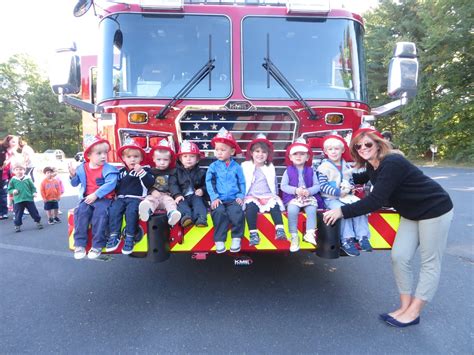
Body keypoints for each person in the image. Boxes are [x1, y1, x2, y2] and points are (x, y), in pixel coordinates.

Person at [323, 128, 454, 328]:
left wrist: (341, 211)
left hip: (434, 210)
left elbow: (376, 200)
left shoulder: (392, 163)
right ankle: (404, 307)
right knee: (399, 257)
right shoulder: (371, 166)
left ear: (378, 144)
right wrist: (323, 173)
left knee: (430, 263)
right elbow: (355, 179)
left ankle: (414, 312)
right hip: (411, 213)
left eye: (368, 144)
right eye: (358, 146)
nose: (363, 148)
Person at [317, 135, 371, 256]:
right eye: (330, 149)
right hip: (331, 198)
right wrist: (337, 192)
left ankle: (362, 237)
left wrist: (350, 188)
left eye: (336, 149)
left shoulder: (346, 166)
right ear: (325, 152)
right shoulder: (323, 168)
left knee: (360, 207)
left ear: (342, 150)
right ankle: (347, 240)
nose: (333, 151)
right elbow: (322, 186)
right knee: (343, 211)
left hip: (347, 196)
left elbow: (350, 180)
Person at [68, 135, 119, 260]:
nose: (103, 156)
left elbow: (111, 183)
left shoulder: (109, 169)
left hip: (103, 198)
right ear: (89, 155)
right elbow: (75, 183)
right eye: (99, 153)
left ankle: (97, 245)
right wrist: (72, 175)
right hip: (88, 198)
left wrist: (96, 194)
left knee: (100, 215)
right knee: (80, 212)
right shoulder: (82, 168)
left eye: (105, 153)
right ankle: (79, 244)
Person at [106, 140, 154, 255]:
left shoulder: (145, 169)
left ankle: (130, 237)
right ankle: (114, 236)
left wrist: (141, 172)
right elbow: (115, 186)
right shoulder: (120, 172)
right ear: (124, 158)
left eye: (136, 156)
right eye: (129, 157)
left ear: (141, 158)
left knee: (131, 212)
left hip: (136, 198)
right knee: (114, 210)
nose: (132, 159)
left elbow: (150, 183)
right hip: (121, 198)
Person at [241, 134, 286, 246]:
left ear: (268, 154)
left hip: (267, 195)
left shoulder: (270, 167)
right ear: (251, 153)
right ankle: (253, 234)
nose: (260, 154)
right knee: (251, 208)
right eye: (257, 151)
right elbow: (241, 181)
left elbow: (274, 182)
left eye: (264, 152)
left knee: (275, 207)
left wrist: (275, 195)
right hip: (252, 195)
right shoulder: (245, 166)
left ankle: (280, 230)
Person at [205, 128, 245, 254]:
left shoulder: (237, 167)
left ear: (232, 151)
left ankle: (236, 238)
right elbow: (209, 182)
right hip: (219, 199)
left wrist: (241, 195)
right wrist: (214, 197)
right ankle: (219, 240)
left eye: (223, 150)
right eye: (217, 150)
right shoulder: (213, 167)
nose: (219, 153)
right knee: (219, 213)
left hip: (233, 199)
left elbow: (241, 182)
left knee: (237, 212)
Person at [138, 139, 181, 226]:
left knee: (170, 202)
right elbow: (147, 183)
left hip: (166, 195)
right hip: (153, 195)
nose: (162, 162)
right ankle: (146, 211)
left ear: (170, 160)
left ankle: (172, 214)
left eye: (165, 160)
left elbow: (174, 185)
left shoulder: (172, 172)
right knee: (150, 200)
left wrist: (177, 195)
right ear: (153, 159)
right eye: (159, 159)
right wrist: (152, 190)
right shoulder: (150, 171)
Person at [169, 140, 208, 228]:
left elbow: (207, 184)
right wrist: (177, 195)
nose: (188, 159)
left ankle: (201, 218)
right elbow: (173, 184)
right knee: (181, 204)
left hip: (195, 195)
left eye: (192, 156)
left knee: (199, 202)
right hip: (182, 195)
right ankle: (186, 218)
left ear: (197, 159)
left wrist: (202, 190)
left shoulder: (201, 172)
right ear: (180, 159)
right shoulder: (175, 172)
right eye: (185, 156)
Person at [7, 160, 43, 232]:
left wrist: (34, 192)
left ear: (24, 170)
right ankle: (17, 225)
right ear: (14, 171)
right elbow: (9, 189)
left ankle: (38, 221)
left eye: (21, 169)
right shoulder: (13, 180)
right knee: (18, 214)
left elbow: (33, 187)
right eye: (16, 170)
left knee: (34, 212)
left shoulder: (28, 179)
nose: (19, 171)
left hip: (29, 199)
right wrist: (13, 191)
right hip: (18, 200)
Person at [0, 135, 20, 219]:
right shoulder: (2, 150)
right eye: (13, 141)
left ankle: (18, 211)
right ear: (8, 142)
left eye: (16, 142)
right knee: (3, 193)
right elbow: (2, 164)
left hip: (13, 174)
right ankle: (3, 213)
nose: (15, 143)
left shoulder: (15, 152)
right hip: (3, 174)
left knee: (15, 192)